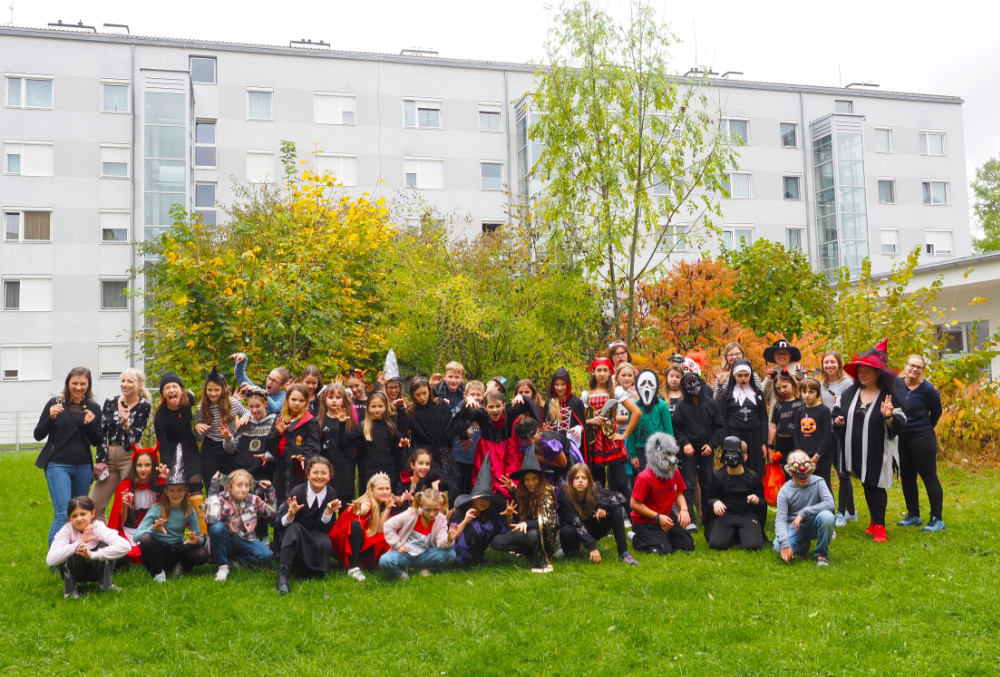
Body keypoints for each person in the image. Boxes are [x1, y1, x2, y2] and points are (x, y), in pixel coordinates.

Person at [833, 339, 906, 544]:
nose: (862, 374)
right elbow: (837, 411)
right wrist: (837, 420)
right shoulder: (850, 392)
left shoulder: (889, 395)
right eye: (860, 371)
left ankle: (880, 526)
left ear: (878, 374)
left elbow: (901, 420)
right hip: (855, 450)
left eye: (867, 371)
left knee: (876, 484)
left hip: (878, 450)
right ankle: (874, 521)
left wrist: (888, 416)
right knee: (867, 483)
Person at [34, 367, 103, 545]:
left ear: (88, 386)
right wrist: (50, 418)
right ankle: (56, 559)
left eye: (83, 384)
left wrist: (89, 425)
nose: (78, 387)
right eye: (75, 383)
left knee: (80, 515)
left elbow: (97, 440)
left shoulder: (93, 407)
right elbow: (38, 434)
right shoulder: (55, 403)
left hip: (83, 466)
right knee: (63, 514)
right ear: (68, 383)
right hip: (58, 464)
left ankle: (75, 555)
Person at [91, 368, 152, 520]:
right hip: (110, 454)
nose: (125, 384)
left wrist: (126, 425)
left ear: (139, 385)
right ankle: (103, 540)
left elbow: (134, 437)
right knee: (94, 505)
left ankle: (127, 540)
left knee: (129, 502)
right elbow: (101, 432)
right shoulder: (111, 402)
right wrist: (101, 459)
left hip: (130, 456)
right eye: (123, 381)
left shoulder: (144, 406)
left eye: (130, 381)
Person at [274, 457, 341, 594]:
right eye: (315, 472)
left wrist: (328, 512)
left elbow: (324, 529)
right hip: (295, 535)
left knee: (324, 541)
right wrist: (291, 514)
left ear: (329, 477)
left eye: (324, 473)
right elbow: (279, 525)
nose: (319, 476)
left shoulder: (331, 493)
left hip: (316, 534)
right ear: (308, 474)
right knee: (294, 529)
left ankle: (310, 569)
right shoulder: (297, 492)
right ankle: (283, 576)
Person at [895, 354, 945, 532]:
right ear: (906, 365)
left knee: (929, 477)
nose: (914, 369)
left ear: (922, 370)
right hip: (902, 437)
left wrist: (926, 427)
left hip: (922, 438)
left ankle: (936, 519)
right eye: (912, 365)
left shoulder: (928, 390)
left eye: (919, 367)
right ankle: (913, 515)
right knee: (907, 477)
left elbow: (937, 412)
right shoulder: (897, 384)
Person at [134, 467, 209, 583]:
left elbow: (200, 537)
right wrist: (153, 529)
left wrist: (196, 541)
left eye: (179, 490)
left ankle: (181, 566)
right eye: (172, 490)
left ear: (186, 490)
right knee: (146, 538)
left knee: (202, 553)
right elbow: (137, 536)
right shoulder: (156, 509)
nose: (176, 494)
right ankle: (159, 573)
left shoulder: (189, 510)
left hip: (177, 548)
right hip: (160, 551)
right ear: (166, 491)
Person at [46, 496, 130, 598]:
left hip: (97, 569)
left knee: (106, 545)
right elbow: (50, 560)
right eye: (74, 516)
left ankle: (106, 585)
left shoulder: (98, 527)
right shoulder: (66, 530)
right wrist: (80, 542)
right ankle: (70, 591)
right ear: (69, 518)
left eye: (83, 514)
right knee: (64, 551)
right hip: (77, 572)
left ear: (93, 513)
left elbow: (125, 546)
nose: (79, 519)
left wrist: (93, 555)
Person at [671, 371, 724, 533]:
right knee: (688, 484)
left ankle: (708, 518)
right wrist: (685, 443)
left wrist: (712, 444)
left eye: (696, 384)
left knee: (708, 483)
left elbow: (720, 427)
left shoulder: (711, 404)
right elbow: (677, 429)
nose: (693, 388)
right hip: (688, 453)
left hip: (706, 450)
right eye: (688, 385)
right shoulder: (681, 407)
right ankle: (690, 520)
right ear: (683, 388)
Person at [581, 357, 641, 496]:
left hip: (612, 441)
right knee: (597, 484)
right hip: (594, 442)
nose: (602, 373)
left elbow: (637, 412)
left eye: (605, 370)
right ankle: (603, 515)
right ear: (593, 372)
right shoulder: (586, 395)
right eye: (599, 370)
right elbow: (581, 420)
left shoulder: (616, 392)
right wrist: (591, 421)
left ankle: (632, 517)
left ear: (610, 373)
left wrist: (624, 435)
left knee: (620, 483)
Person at [557, 463, 639, 565]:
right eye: (576, 478)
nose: (580, 481)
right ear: (570, 480)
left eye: (584, 478)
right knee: (567, 531)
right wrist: (592, 547)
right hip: (574, 532)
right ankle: (573, 551)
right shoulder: (564, 494)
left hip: (594, 527)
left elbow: (621, 497)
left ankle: (623, 552)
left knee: (616, 510)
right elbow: (575, 522)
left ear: (589, 480)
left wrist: (603, 505)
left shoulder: (595, 488)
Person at [628, 432, 694, 555]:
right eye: (667, 454)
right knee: (663, 550)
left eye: (672, 453)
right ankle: (636, 538)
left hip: (666, 516)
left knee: (688, 545)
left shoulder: (674, 471)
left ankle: (662, 537)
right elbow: (634, 503)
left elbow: (679, 493)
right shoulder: (645, 477)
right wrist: (658, 517)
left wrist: (684, 509)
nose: (672, 458)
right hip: (645, 520)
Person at [493, 450, 559, 573]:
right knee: (497, 542)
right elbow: (515, 525)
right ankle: (528, 552)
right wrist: (509, 515)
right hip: (525, 534)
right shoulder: (521, 493)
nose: (531, 483)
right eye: (527, 480)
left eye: (534, 479)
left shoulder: (547, 492)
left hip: (542, 535)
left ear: (540, 479)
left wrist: (527, 524)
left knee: (533, 535)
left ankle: (539, 554)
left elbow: (549, 521)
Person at [380, 488, 467, 579]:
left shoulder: (441, 520)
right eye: (428, 510)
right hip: (405, 555)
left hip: (424, 555)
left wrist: (448, 539)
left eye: (435, 510)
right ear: (421, 505)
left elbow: (440, 543)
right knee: (385, 561)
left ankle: (426, 570)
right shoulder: (411, 514)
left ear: (440, 506)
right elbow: (388, 525)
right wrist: (398, 545)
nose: (432, 514)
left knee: (450, 554)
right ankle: (402, 575)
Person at [205, 469, 276, 582]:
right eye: (239, 485)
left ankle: (236, 560)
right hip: (225, 538)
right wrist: (214, 486)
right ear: (230, 487)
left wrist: (269, 491)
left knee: (266, 555)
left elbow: (270, 512)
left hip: (244, 538)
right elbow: (211, 519)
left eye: (247, 486)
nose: (243, 489)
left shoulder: (253, 499)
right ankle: (223, 567)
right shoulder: (220, 498)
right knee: (216, 527)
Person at [462, 390, 531, 498]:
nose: (495, 410)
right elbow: (459, 415)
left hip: (509, 451)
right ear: (485, 407)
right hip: (487, 452)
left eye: (498, 406)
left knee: (511, 478)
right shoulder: (481, 414)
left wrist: (522, 398)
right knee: (486, 482)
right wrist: (467, 401)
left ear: (504, 405)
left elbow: (531, 406)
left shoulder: (510, 411)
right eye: (491, 407)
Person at [406, 378, 468, 498]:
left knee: (447, 482)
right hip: (420, 450)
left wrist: (463, 434)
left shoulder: (441, 404)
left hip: (441, 450)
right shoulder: (411, 410)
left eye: (424, 393)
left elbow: (450, 425)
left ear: (429, 391)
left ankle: (445, 511)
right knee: (422, 483)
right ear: (413, 396)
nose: (422, 397)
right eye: (418, 395)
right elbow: (404, 427)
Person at [339, 391, 410, 494]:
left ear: (386, 407)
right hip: (368, 472)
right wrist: (341, 424)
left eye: (380, 406)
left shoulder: (390, 427)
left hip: (388, 472)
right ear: (368, 407)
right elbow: (344, 442)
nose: (377, 410)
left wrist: (401, 446)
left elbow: (396, 449)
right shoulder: (363, 427)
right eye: (374, 406)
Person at [773, 451, 836, 566]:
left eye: (805, 465)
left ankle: (822, 554)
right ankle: (803, 545)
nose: (802, 470)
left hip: (814, 522)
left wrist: (804, 513)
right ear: (790, 470)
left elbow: (830, 504)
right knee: (778, 547)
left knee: (828, 517)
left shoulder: (819, 482)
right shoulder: (784, 491)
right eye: (797, 466)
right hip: (793, 526)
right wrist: (785, 544)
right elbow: (780, 520)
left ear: (811, 467)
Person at [329, 473, 394, 582]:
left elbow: (380, 530)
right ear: (371, 489)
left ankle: (366, 564)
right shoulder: (368, 502)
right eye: (380, 489)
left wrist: (388, 508)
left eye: (387, 488)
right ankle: (353, 568)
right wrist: (360, 511)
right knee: (357, 525)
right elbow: (363, 508)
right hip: (340, 540)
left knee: (383, 537)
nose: (385, 492)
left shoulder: (382, 503)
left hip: (355, 538)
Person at [195, 366, 249, 492]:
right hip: (210, 449)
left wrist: (245, 417)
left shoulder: (233, 403)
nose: (213, 393)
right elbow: (198, 437)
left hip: (229, 448)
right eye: (209, 390)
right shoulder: (201, 408)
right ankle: (214, 508)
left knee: (228, 484)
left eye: (216, 390)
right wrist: (197, 428)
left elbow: (248, 413)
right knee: (212, 484)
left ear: (223, 390)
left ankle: (228, 508)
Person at [107, 446, 165, 563]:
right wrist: (124, 506)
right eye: (139, 465)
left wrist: (164, 483)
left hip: (150, 531)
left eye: (147, 465)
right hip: (128, 532)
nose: (143, 469)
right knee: (118, 559)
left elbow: (165, 512)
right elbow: (119, 523)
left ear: (154, 466)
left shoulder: (158, 486)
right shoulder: (125, 486)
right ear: (134, 467)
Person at [707, 437, 766, 551]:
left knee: (753, 545)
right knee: (716, 544)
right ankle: (734, 533)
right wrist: (715, 502)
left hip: (747, 514)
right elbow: (709, 499)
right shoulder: (718, 476)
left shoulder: (752, 478)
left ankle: (741, 533)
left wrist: (757, 500)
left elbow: (763, 505)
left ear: (744, 456)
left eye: (734, 453)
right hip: (726, 513)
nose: (730, 457)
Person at [820, 350, 858, 527]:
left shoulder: (847, 383)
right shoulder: (822, 384)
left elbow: (852, 406)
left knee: (843, 472)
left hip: (843, 431)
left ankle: (841, 513)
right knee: (838, 469)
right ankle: (851, 511)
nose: (829, 366)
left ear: (839, 364)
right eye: (826, 363)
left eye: (832, 362)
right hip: (828, 432)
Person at [266, 383, 320, 507]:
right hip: (281, 468)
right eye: (294, 399)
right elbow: (269, 445)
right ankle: (280, 524)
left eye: (301, 400)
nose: (297, 403)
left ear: (306, 402)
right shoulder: (280, 418)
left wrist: (303, 458)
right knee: (281, 502)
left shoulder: (311, 421)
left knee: (297, 500)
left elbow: (313, 447)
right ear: (287, 400)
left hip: (298, 470)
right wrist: (279, 434)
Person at [449, 457, 509, 567]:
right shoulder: (459, 513)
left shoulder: (489, 514)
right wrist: (466, 521)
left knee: (490, 526)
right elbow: (451, 539)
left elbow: (505, 530)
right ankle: (463, 562)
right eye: (481, 498)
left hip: (476, 558)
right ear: (474, 499)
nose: (484, 502)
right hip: (455, 557)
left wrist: (509, 516)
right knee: (474, 527)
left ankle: (476, 558)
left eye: (487, 499)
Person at [153, 372, 203, 495]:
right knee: (177, 495)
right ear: (163, 394)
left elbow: (196, 397)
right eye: (167, 388)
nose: (171, 390)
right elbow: (163, 446)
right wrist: (167, 467)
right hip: (172, 455)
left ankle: (199, 514)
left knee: (195, 492)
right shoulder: (160, 417)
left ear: (181, 391)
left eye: (174, 387)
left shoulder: (187, 402)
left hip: (191, 452)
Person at [719, 359, 768, 476]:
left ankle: (756, 493)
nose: (743, 378)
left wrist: (764, 442)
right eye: (739, 375)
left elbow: (763, 418)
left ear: (750, 375)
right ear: (734, 375)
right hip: (735, 435)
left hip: (755, 436)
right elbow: (723, 419)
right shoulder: (727, 394)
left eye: (746, 375)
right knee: (735, 467)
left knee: (756, 470)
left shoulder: (758, 393)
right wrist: (725, 442)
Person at [626, 369, 674, 481]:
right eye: (643, 384)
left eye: (650, 383)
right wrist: (633, 455)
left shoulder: (662, 406)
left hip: (660, 450)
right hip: (641, 450)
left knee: (662, 479)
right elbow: (631, 433)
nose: (646, 387)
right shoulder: (634, 407)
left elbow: (669, 431)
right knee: (646, 480)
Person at [316, 383, 358, 503]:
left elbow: (344, 442)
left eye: (338, 397)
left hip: (344, 466)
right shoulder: (319, 420)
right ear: (324, 400)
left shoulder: (350, 420)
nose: (334, 401)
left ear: (344, 400)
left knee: (345, 501)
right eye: (330, 397)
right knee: (326, 501)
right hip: (325, 465)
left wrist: (342, 423)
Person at [793, 377, 833, 491]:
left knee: (823, 484)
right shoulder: (800, 411)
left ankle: (827, 507)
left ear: (817, 393)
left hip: (821, 456)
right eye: (804, 392)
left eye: (811, 392)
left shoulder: (824, 410)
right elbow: (796, 435)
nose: (807, 395)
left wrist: (817, 456)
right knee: (806, 485)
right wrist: (801, 454)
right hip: (804, 456)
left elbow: (827, 436)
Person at [768, 371, 804, 471]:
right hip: (780, 442)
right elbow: (773, 426)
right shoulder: (778, 404)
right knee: (781, 470)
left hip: (795, 441)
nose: (782, 390)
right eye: (778, 388)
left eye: (785, 386)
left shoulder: (801, 403)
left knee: (795, 469)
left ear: (792, 383)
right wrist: (770, 446)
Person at [762, 338, 805, 411]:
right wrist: (769, 380)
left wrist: (801, 380)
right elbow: (763, 397)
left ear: (790, 355)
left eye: (785, 353)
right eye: (778, 353)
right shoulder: (771, 371)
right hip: (776, 418)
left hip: (796, 414)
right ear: (774, 356)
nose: (782, 356)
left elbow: (808, 394)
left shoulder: (798, 369)